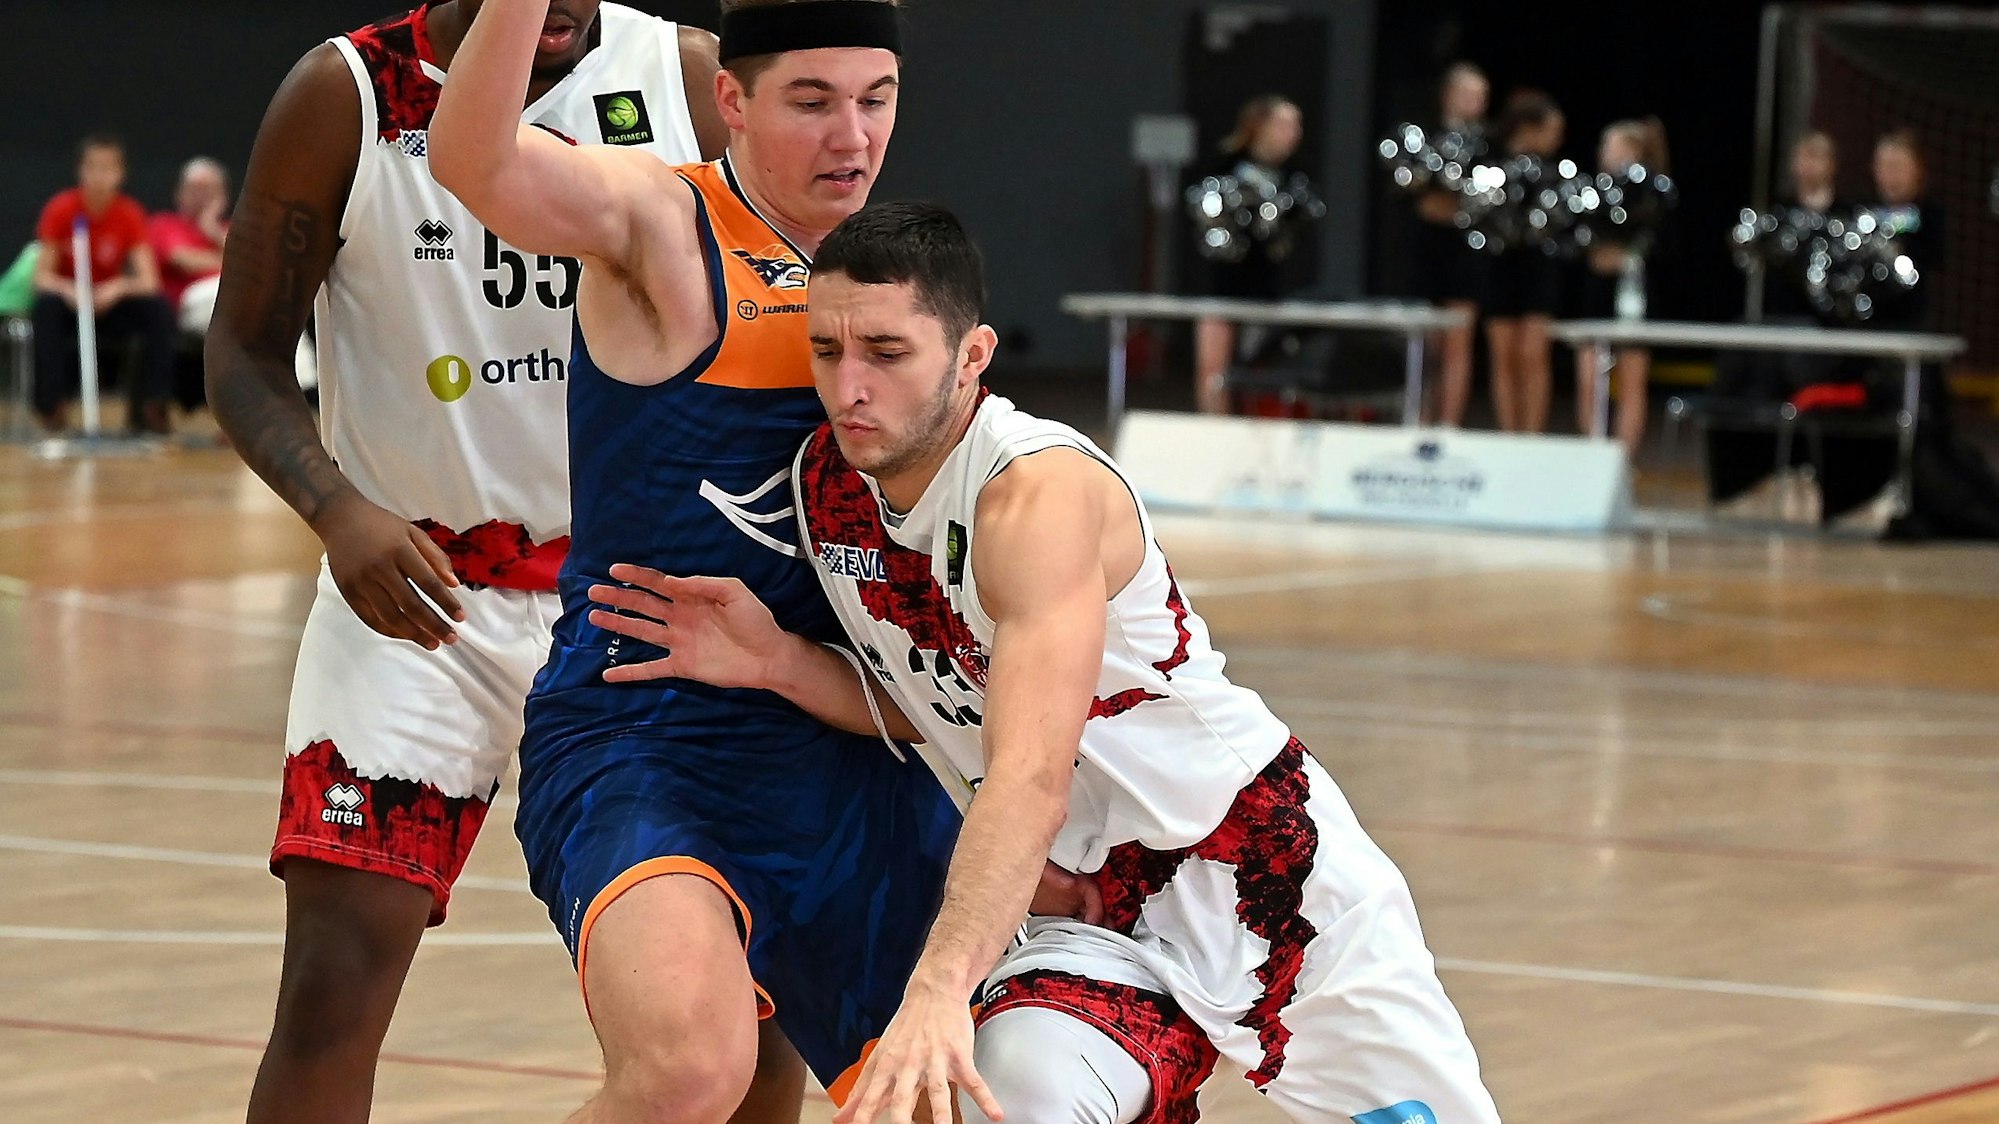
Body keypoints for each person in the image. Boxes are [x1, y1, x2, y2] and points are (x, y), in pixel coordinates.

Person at [591, 201, 1501, 1124]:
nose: (850, 385)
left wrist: (941, 986)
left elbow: (1027, 775)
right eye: (827, 352)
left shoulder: (1034, 492)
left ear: (972, 355)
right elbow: (938, 704)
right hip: (1091, 922)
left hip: (1260, 871)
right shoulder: (827, 484)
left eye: (887, 352)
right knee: (1009, 1104)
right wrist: (782, 663)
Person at [200, 4, 759, 1121]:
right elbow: (243, 348)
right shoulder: (343, 94)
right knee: (330, 981)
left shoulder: (687, 76)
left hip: (639, 606)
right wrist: (335, 506)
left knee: (752, 990)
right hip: (419, 597)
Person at [428, 1, 969, 1119]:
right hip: (647, 723)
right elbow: (472, 159)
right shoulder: (666, 222)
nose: (853, 137)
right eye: (812, 103)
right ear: (731, 98)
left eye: (877, 100)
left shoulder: (904, 276)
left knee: (938, 1091)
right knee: (688, 1070)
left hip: (840, 725)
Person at [31, 134, 176, 434]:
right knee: (46, 306)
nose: (99, 176)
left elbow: (149, 281)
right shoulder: (61, 209)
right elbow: (41, 277)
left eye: (108, 169)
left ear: (121, 174)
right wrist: (69, 290)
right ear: (80, 171)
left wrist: (119, 287)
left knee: (157, 309)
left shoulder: (129, 213)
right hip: (71, 305)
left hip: (110, 305)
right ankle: (51, 404)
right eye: (92, 167)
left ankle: (154, 403)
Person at [1193, 94, 1311, 414]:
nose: (1295, 133)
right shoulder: (1225, 167)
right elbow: (1207, 218)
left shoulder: (1294, 177)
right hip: (1222, 284)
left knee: (1264, 370)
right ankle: (1214, 435)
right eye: (1286, 124)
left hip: (1270, 289)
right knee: (1213, 369)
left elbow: (1298, 225)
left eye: (1297, 126)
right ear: (1261, 127)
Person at [1571, 117, 1670, 453]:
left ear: (1632, 152)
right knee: (1588, 380)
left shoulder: (1652, 191)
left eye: (1609, 145)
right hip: (1596, 288)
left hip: (1633, 290)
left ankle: (1622, 462)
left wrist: (1626, 255)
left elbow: (1659, 243)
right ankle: (1593, 454)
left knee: (1631, 381)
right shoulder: (1591, 194)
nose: (1603, 152)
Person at [1482, 90, 1564, 435]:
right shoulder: (1493, 169)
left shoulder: (1554, 175)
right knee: (1504, 355)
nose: (1557, 139)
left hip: (1539, 265)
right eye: (1552, 130)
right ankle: (1509, 434)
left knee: (1533, 354)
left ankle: (1532, 435)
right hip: (1499, 263)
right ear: (1530, 128)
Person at [1415, 62, 1491, 427]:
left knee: (1460, 340)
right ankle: (1422, 420)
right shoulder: (1424, 140)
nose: (1475, 102)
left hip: (1466, 246)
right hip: (1429, 245)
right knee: (1430, 342)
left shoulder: (1488, 146)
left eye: (1481, 96)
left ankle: (1449, 424)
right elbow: (1419, 194)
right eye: (1469, 94)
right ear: (1448, 95)